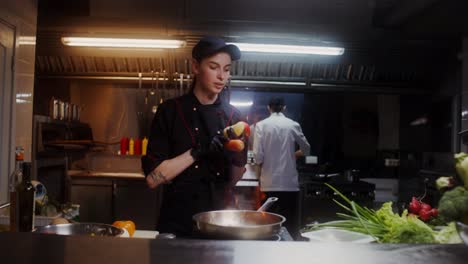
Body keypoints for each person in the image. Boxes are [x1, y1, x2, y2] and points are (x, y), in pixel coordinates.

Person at [141, 36, 247, 237]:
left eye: (226, 69)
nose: (221, 76)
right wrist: (197, 151)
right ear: (196, 67)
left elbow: (232, 180)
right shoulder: (170, 111)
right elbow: (152, 179)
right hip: (177, 222)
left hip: (220, 224)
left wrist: (236, 158)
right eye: (214, 67)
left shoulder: (234, 117)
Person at [252, 97, 310, 239]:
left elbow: (257, 157)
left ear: (268, 108)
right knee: (290, 227)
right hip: (290, 185)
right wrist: (293, 155)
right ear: (284, 108)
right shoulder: (292, 125)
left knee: (268, 227)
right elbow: (306, 149)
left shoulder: (261, 125)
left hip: (269, 184)